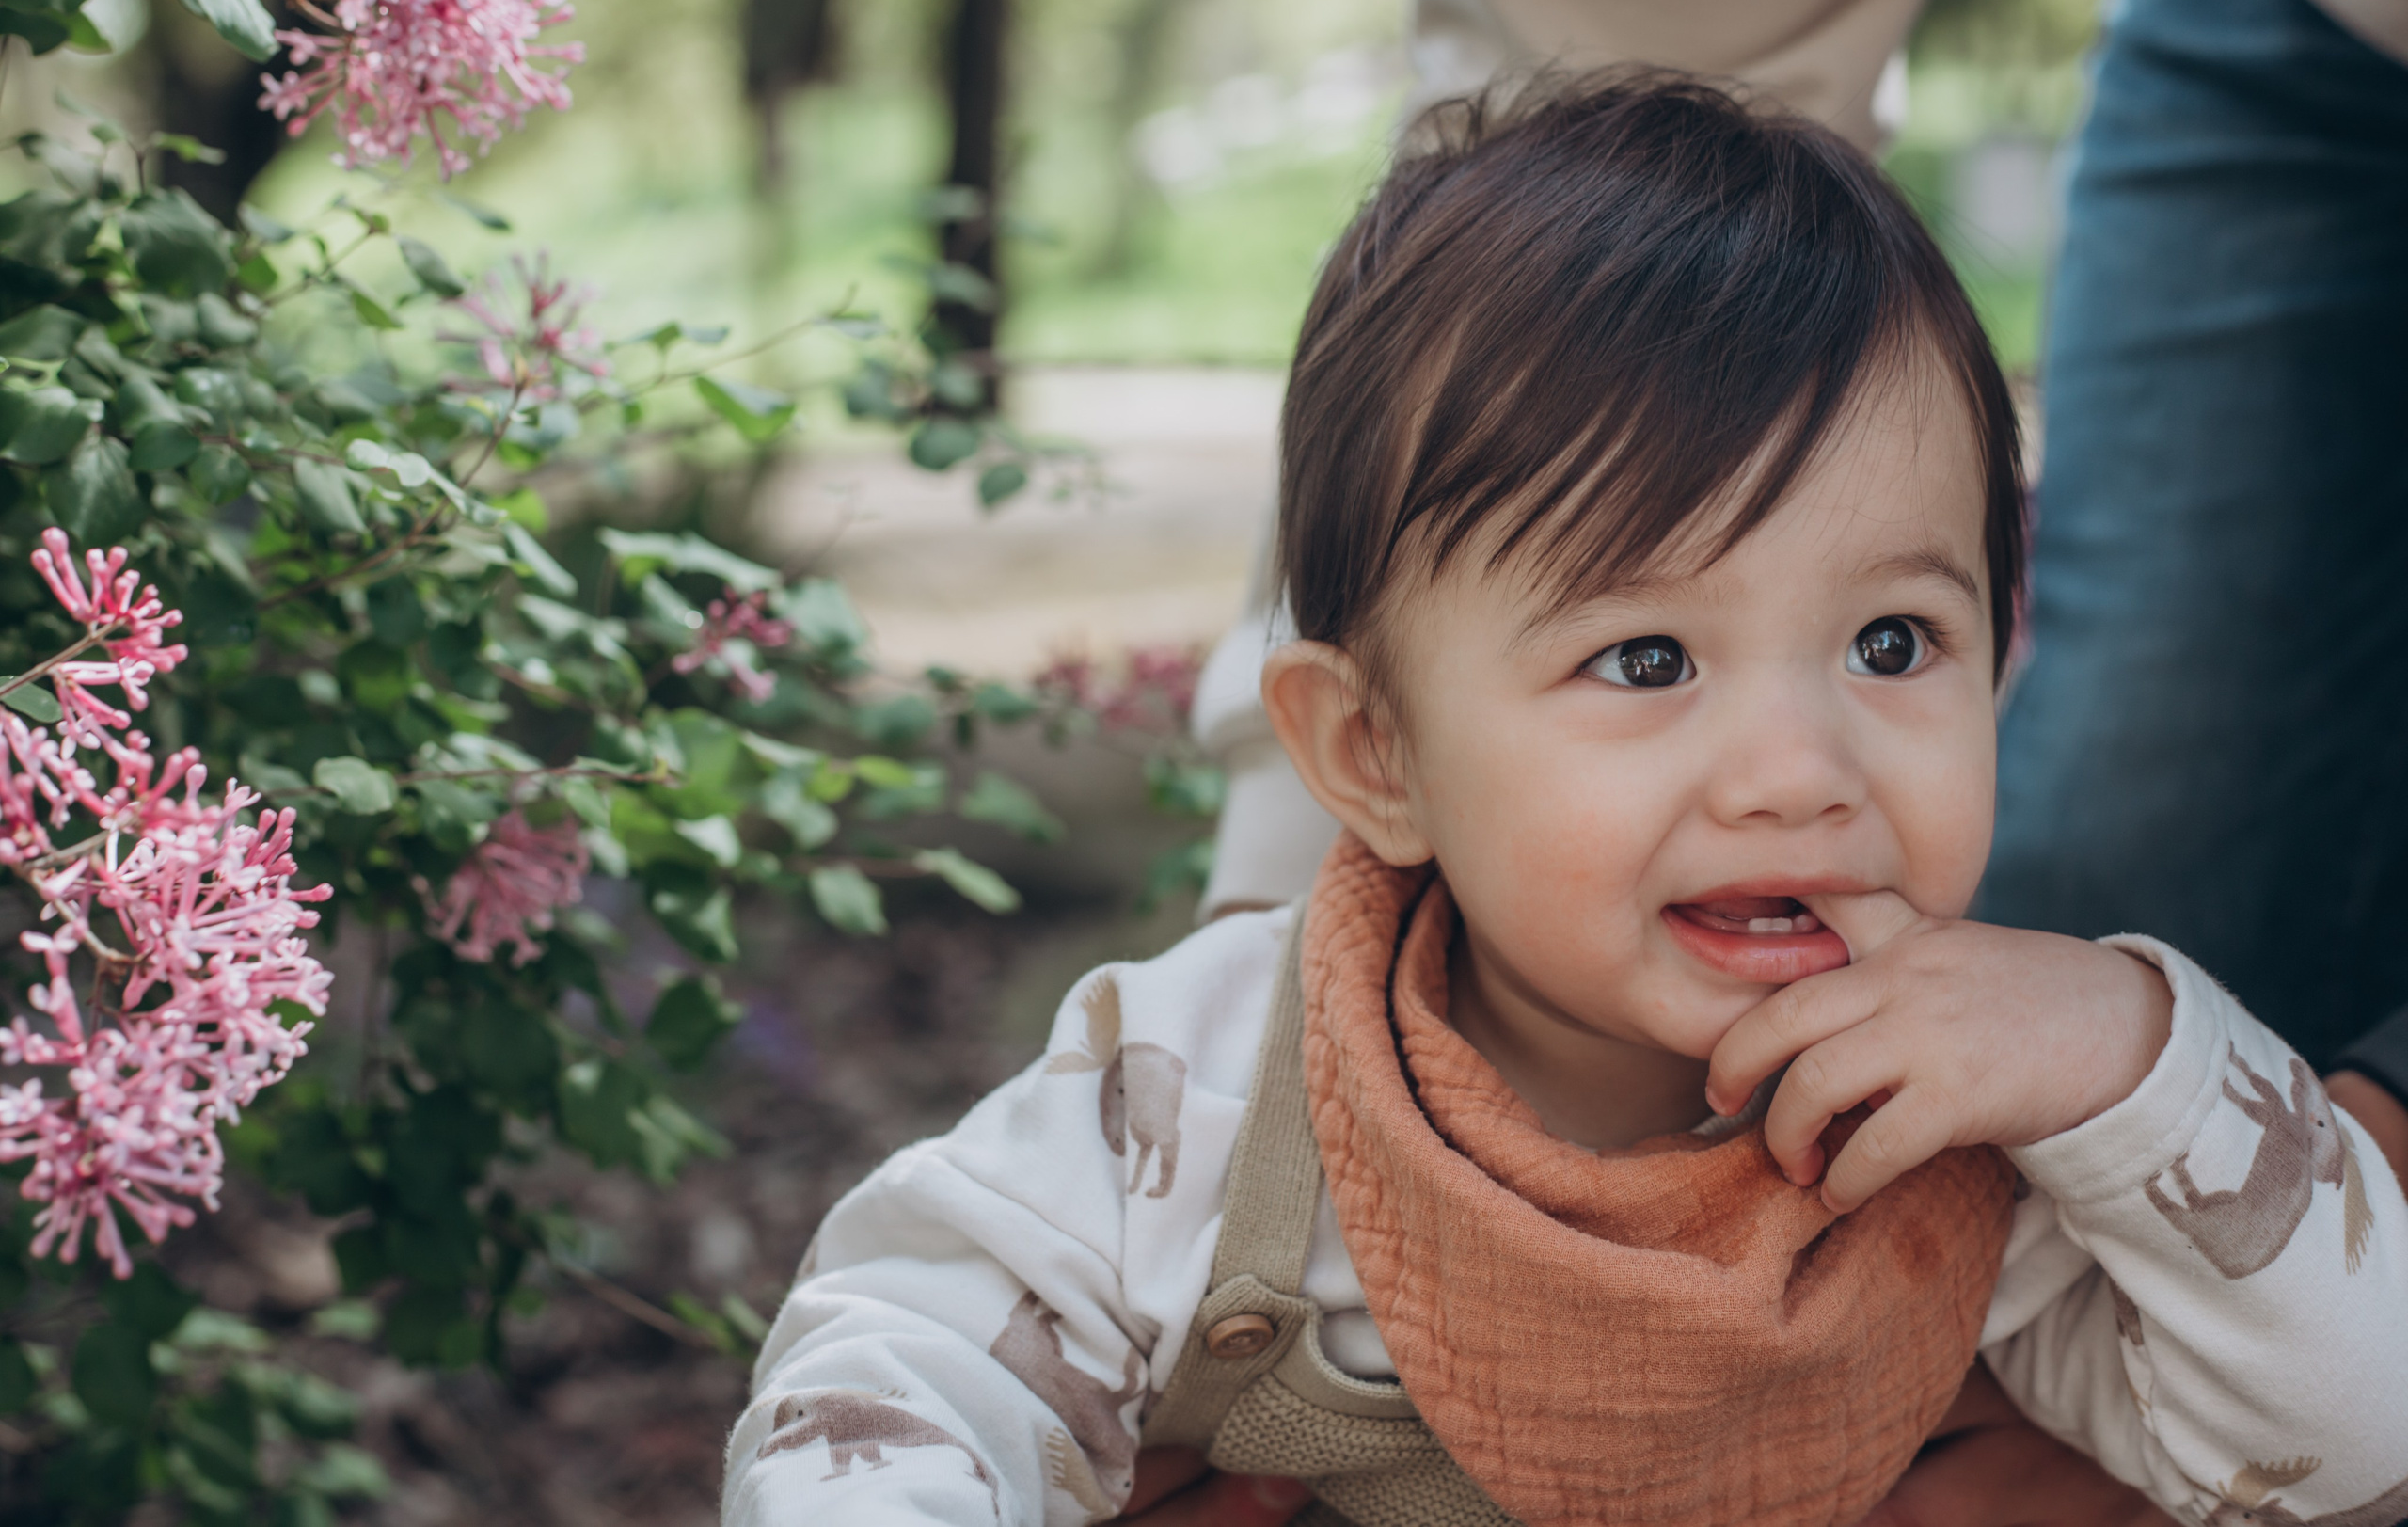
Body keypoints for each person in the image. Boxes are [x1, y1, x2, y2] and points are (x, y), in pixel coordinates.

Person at [723, 75, 2408, 1527]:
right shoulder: (1204, 1094)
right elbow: (901, 1356)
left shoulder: (1969, 1137)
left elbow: (2352, 1445)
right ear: (1376, 753)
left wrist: (2140, 1064)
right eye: (1649, 658)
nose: (1799, 774)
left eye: (1893, 639)